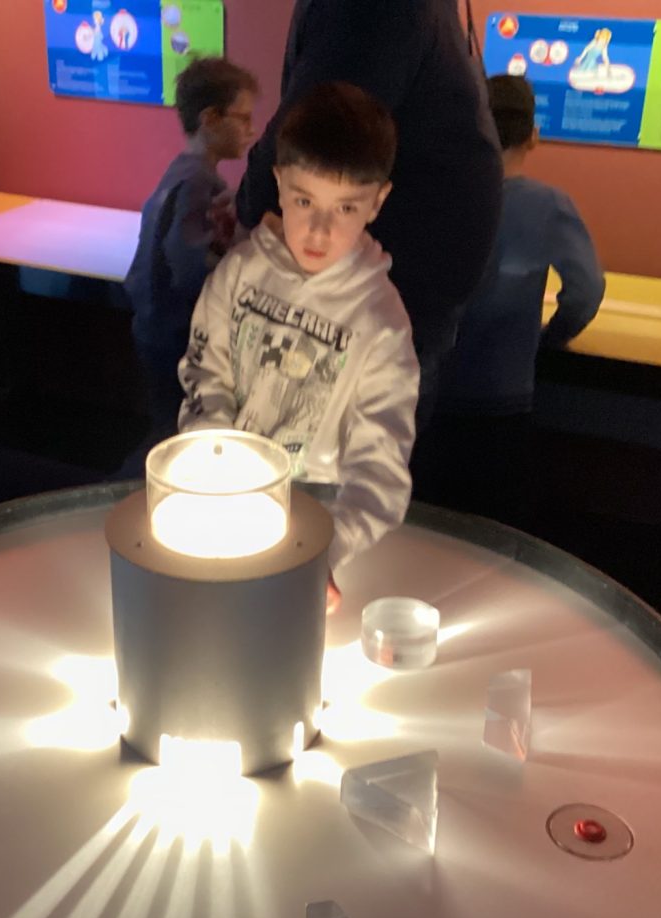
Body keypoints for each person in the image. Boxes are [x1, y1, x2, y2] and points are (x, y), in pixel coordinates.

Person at [178, 83, 420, 612]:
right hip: (224, 501)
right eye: (305, 200)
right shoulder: (239, 273)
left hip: (320, 527)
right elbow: (205, 375)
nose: (318, 230)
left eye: (345, 207)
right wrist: (214, 472)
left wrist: (324, 549)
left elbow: (379, 466)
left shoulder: (381, 322)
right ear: (279, 184)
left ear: (377, 202)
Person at [236, 0, 503, 438]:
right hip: (349, 326)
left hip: (374, 319)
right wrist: (250, 208)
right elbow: (316, 129)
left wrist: (249, 207)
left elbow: (315, 126)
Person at [417, 74, 604, 528]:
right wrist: (550, 337)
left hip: (431, 397)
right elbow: (585, 291)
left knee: (428, 525)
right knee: (494, 532)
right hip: (502, 401)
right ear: (532, 135)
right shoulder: (549, 205)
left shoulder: (437, 195)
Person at [123, 57, 258, 466]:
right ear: (210, 119)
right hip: (174, 334)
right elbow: (190, 268)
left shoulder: (182, 172)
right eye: (243, 118)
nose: (251, 130)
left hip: (155, 327)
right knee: (175, 434)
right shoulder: (199, 183)